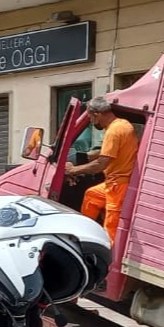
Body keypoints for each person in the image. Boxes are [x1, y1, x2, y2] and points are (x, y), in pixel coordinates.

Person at [64, 96, 138, 246]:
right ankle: (85, 236)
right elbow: (107, 152)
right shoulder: (122, 125)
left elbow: (100, 164)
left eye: (91, 118)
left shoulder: (113, 132)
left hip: (118, 185)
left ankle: (108, 254)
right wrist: (84, 157)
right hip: (114, 182)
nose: (91, 122)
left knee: (111, 228)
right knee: (92, 195)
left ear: (97, 115)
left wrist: (73, 170)